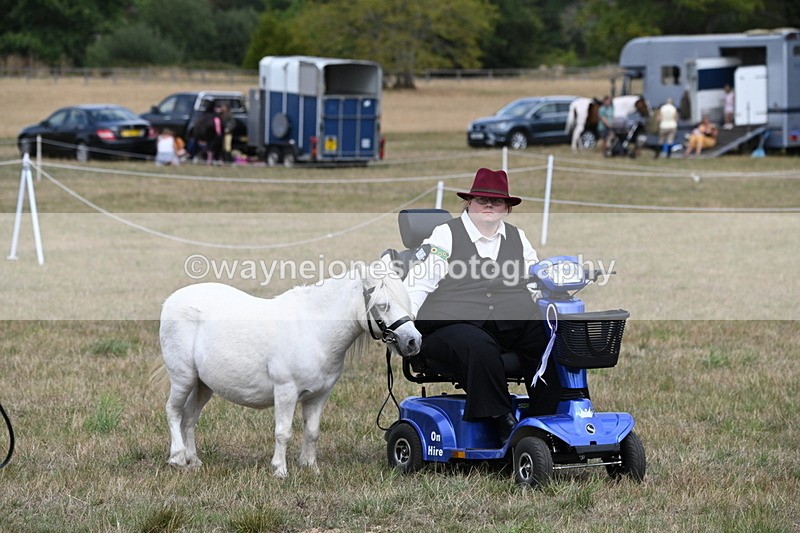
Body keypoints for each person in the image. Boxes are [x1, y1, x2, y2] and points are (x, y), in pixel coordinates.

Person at [402, 168, 559, 445]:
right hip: (449, 325)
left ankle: (548, 418)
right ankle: (503, 423)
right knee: (478, 344)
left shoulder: (517, 237)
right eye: (482, 199)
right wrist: (405, 324)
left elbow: (535, 282)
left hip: (507, 323)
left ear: (507, 208)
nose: (489, 205)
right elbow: (420, 281)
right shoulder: (445, 235)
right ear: (469, 202)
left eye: (496, 201)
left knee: (547, 340)